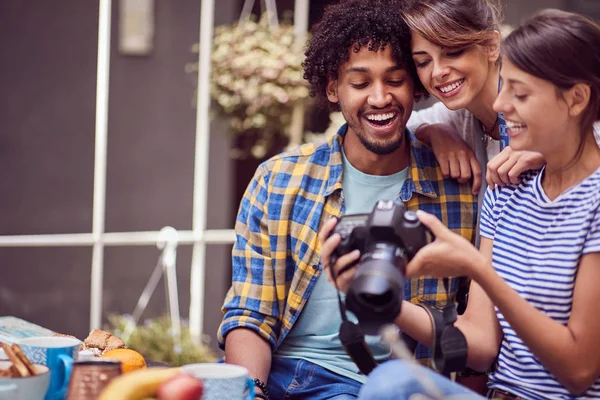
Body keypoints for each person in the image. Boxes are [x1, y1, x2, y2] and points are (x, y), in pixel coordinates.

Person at [324, 9, 600, 399]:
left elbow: (579, 372)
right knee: (389, 381)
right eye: (422, 62)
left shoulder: (588, 197)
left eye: (518, 93)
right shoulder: (503, 189)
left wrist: (478, 270)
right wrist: (374, 295)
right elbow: (482, 343)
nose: (500, 107)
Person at [217, 0, 479, 398]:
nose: (380, 98)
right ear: (333, 89)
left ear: (415, 86)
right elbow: (251, 315)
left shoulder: (455, 190)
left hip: (369, 386)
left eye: (395, 80)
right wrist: (249, 391)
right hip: (272, 373)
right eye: (360, 83)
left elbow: (467, 333)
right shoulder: (279, 179)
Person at [404, 0, 546, 209]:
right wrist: (433, 132)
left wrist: (558, 151)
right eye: (423, 62)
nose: (437, 72)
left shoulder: (544, 105)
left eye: (453, 52)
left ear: (491, 46)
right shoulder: (456, 118)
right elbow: (399, 127)